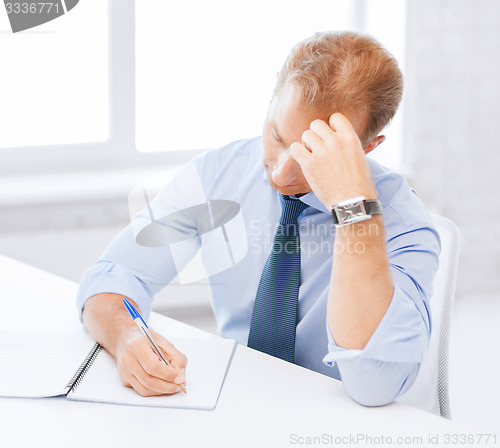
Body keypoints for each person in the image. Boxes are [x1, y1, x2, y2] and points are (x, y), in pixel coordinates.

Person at [77, 31, 440, 405]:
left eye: (312, 152)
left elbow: (374, 387)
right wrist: (124, 337)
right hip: (236, 401)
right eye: (278, 136)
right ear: (271, 102)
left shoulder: (401, 221)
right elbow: (115, 276)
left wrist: (354, 209)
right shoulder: (217, 175)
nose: (281, 175)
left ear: (365, 147)